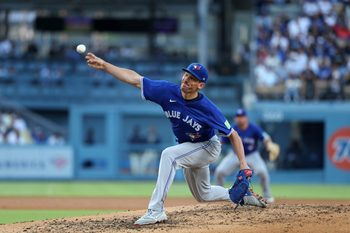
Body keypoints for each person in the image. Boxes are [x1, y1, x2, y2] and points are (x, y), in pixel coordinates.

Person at [85, 53, 266, 226]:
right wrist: (105, 66)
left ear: (200, 85)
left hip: (208, 147)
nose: (186, 80)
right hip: (189, 147)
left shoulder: (207, 108)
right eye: (186, 75)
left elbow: (233, 135)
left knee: (169, 155)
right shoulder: (167, 91)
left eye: (192, 78)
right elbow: (135, 79)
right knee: (203, 194)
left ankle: (156, 210)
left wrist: (243, 164)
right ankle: (240, 195)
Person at [214, 109, 279, 203]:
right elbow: (221, 141)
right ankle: (219, 196)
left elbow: (265, 138)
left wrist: (269, 144)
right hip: (235, 154)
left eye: (242, 117)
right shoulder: (232, 128)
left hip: (252, 154)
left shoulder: (254, 128)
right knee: (219, 172)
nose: (240, 119)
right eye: (238, 117)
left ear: (246, 118)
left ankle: (267, 196)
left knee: (263, 172)